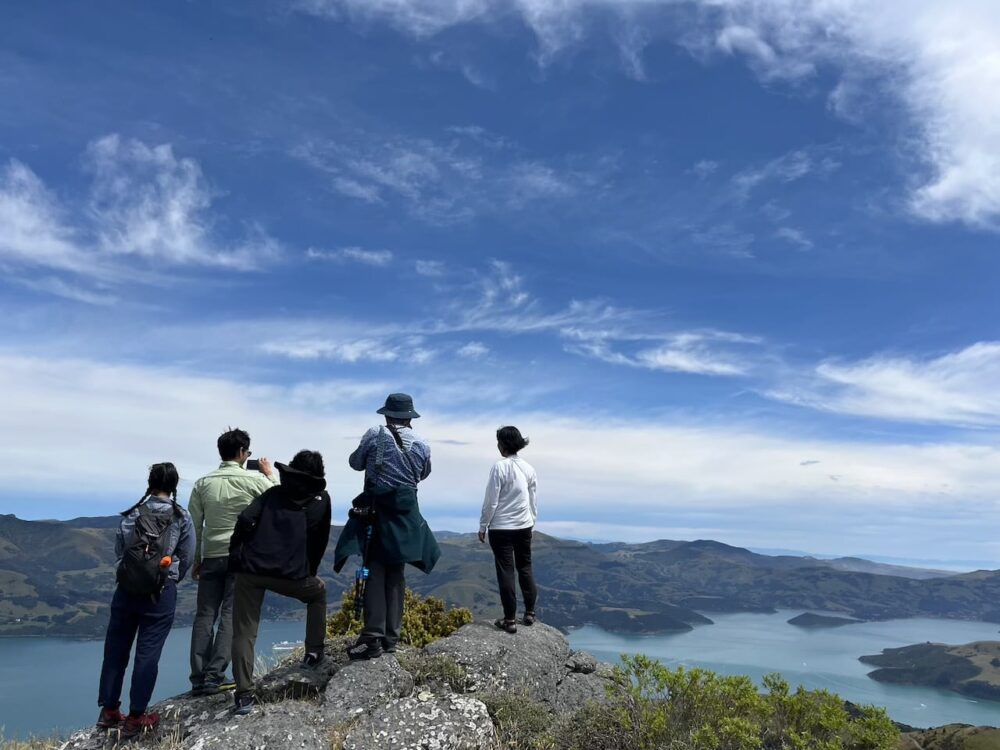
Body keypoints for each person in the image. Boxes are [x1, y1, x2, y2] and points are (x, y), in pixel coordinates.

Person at [334, 393, 440, 660]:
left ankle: (373, 637)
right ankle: (391, 638)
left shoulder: (375, 433)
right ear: (410, 416)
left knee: (375, 571)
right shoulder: (423, 444)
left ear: (386, 414)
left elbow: (355, 463)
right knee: (396, 573)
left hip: (377, 510)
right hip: (406, 512)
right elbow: (424, 474)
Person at [228, 450, 331, 715]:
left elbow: (245, 520)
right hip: (292, 574)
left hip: (250, 570)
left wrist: (237, 557)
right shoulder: (320, 500)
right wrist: (310, 571)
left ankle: (243, 695)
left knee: (244, 632)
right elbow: (319, 541)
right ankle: (313, 653)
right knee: (318, 595)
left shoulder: (273, 493)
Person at [96, 462, 196, 738]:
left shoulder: (132, 514)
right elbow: (187, 556)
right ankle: (136, 716)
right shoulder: (181, 517)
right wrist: (170, 578)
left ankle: (109, 711)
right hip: (160, 593)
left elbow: (120, 550)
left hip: (126, 590)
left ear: (149, 482)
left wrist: (132, 573)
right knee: (147, 655)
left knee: (116, 651)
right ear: (174, 486)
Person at [188, 428, 278, 696]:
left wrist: (197, 560)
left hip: (211, 555)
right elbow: (277, 497)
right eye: (247, 452)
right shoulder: (253, 481)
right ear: (241, 453)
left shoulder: (203, 483)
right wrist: (268, 472)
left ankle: (198, 677)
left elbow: (195, 525)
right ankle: (215, 677)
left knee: (204, 615)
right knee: (230, 614)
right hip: (241, 556)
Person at [479, 426, 538, 634]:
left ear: (502, 444)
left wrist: (483, 525)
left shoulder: (499, 467)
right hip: (524, 525)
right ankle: (530, 613)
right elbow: (533, 501)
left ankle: (510, 620)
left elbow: (491, 501)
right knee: (525, 566)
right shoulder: (529, 468)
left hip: (501, 527)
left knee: (506, 570)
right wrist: (531, 521)